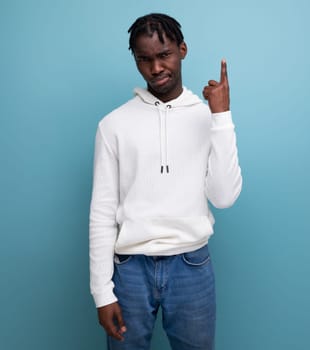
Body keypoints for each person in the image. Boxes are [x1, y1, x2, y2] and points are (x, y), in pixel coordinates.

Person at [89, 13, 242, 350]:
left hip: (191, 264)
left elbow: (224, 197)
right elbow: (102, 213)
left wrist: (222, 116)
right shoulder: (113, 125)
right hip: (129, 270)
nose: (155, 68)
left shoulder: (208, 118)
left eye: (164, 55)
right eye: (144, 59)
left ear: (182, 50)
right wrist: (102, 293)